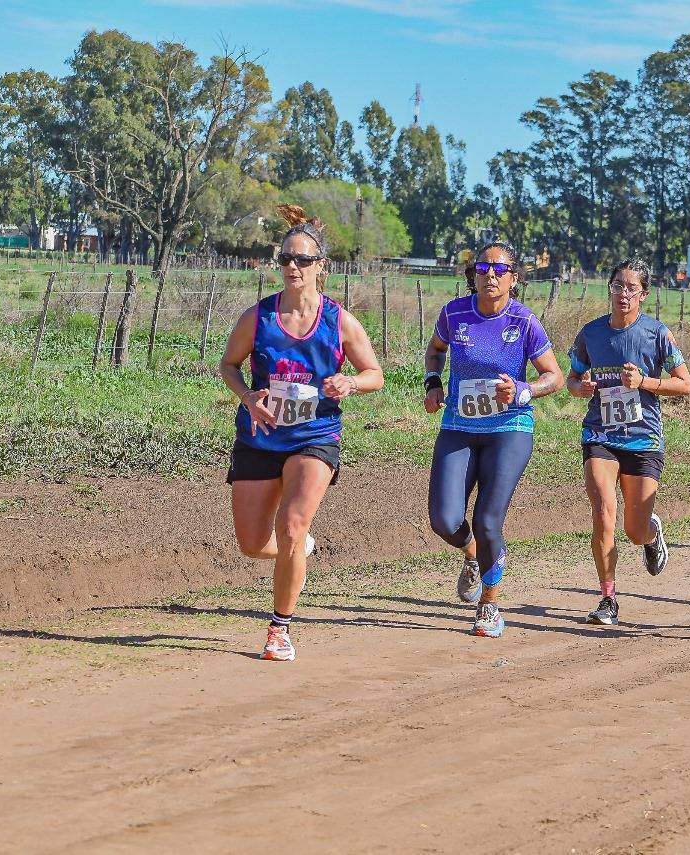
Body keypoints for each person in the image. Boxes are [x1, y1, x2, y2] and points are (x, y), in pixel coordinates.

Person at [219, 206, 384, 662]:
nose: (293, 266)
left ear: (321, 268)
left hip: (316, 435)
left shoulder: (339, 321)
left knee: (291, 525)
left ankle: (279, 628)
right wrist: (249, 398)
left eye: (303, 260)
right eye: (287, 259)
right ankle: (300, 551)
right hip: (259, 437)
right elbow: (228, 365)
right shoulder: (259, 317)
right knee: (253, 544)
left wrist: (349, 382)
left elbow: (375, 373)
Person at [423, 241, 563, 638]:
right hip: (459, 426)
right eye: (483, 267)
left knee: (487, 520)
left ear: (513, 279)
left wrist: (523, 390)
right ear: (473, 274)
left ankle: (490, 603)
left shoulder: (524, 321)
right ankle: (471, 555)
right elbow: (435, 351)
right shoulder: (454, 313)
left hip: (509, 430)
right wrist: (433, 382)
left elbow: (553, 375)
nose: (489, 274)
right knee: (445, 520)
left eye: (499, 270)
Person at [566, 258, 690, 626]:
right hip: (600, 434)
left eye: (631, 288)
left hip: (643, 438)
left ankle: (651, 535)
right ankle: (608, 599)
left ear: (644, 295)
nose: (623, 293)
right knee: (604, 511)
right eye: (618, 285)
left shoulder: (656, 334)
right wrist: (582, 387)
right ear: (609, 288)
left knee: (633, 530)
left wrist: (646, 383)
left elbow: (685, 384)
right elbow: (572, 380)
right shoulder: (590, 333)